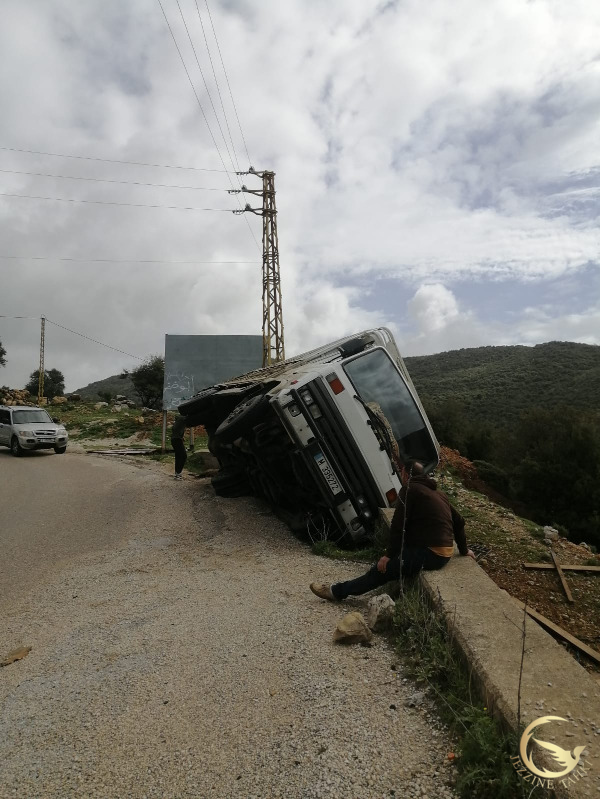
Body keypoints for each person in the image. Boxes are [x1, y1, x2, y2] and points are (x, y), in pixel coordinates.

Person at [310, 458, 475, 601]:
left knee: (381, 570)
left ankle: (336, 592)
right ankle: (342, 590)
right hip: (444, 552)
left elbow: (398, 525)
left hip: (431, 554)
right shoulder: (439, 494)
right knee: (398, 561)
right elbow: (459, 521)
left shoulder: (409, 489)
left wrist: (388, 556)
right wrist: (464, 550)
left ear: (404, 473)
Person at [171, 414, 187, 480]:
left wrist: (181, 436)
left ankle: (177, 474)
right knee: (183, 456)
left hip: (175, 439)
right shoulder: (183, 418)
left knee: (178, 456)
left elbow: (176, 430)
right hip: (177, 440)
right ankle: (178, 474)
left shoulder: (178, 421)